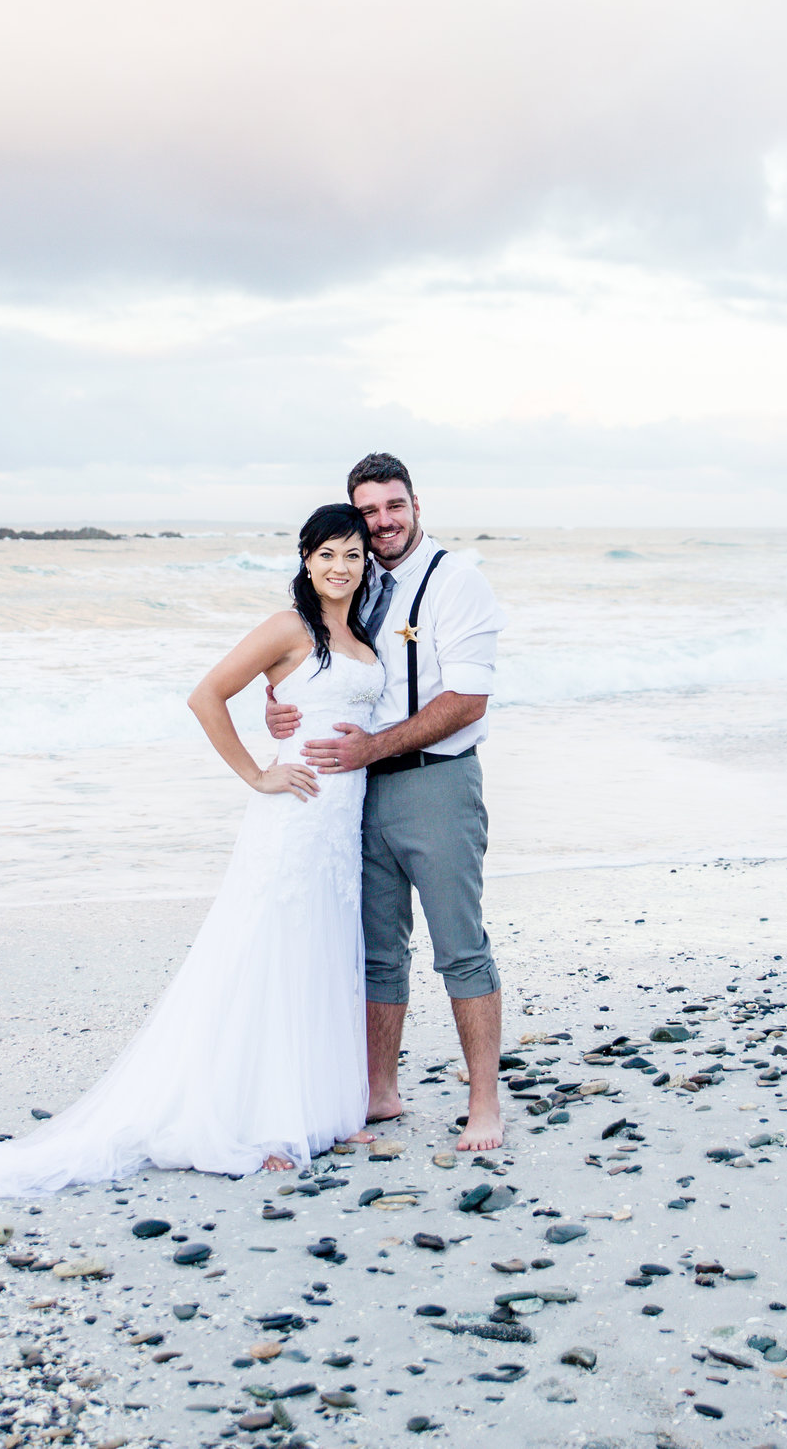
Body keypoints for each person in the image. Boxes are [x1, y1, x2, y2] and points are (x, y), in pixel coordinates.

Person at [0, 504, 385, 1197]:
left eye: (351, 554)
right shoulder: (289, 627)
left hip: (340, 825)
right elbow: (204, 696)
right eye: (326, 555)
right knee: (268, 956)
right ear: (305, 561)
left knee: (318, 953)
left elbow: (338, 706)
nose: (340, 567)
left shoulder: (362, 634)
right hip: (292, 818)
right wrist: (258, 772)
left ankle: (321, 1110)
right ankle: (262, 1124)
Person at [264, 453, 509, 1151]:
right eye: (367, 511)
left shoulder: (458, 582)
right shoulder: (356, 586)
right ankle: (379, 1092)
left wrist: (373, 747)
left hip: (436, 782)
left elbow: (467, 698)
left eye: (392, 506)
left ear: (417, 504)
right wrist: (280, 713)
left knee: (460, 947)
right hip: (356, 792)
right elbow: (313, 671)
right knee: (378, 951)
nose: (382, 522)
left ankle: (484, 1103)